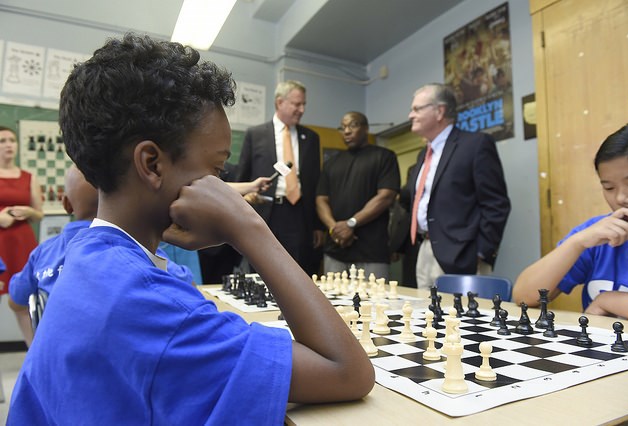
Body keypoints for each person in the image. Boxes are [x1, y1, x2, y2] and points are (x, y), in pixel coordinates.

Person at [8, 34, 373, 424]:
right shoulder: (149, 303)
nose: (222, 188)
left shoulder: (89, 257)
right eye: (216, 170)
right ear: (152, 164)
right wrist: (248, 227)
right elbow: (348, 371)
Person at [8, 165, 195, 346]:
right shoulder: (142, 251)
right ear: (122, 200)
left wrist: (35, 346)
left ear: (66, 204)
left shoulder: (43, 253)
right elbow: (190, 291)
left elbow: (16, 302)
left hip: (58, 364)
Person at [512, 120, 628, 321]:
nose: (621, 198)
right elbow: (524, 297)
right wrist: (577, 243)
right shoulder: (599, 233)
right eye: (609, 188)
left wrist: (607, 300)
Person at [406, 83, 510, 289]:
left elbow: (496, 204)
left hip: (462, 255)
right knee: (425, 318)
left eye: (417, 109)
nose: (411, 115)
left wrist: (481, 253)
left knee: (460, 320)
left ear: (439, 111)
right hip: (425, 249)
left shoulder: (475, 144)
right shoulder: (422, 155)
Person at [236, 80, 323, 275]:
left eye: (304, 104)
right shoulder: (255, 134)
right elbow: (243, 175)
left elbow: (315, 183)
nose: (302, 109)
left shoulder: (311, 138)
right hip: (266, 212)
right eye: (297, 104)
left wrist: (317, 225)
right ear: (279, 102)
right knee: (263, 270)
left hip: (300, 215)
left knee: (299, 272)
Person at [316, 111, 400, 279]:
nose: (347, 131)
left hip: (372, 252)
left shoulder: (384, 157)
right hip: (335, 250)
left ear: (366, 128)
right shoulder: (331, 163)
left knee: (375, 304)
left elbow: (386, 196)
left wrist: (351, 224)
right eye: (343, 127)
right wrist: (334, 229)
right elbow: (320, 200)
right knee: (332, 303)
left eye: (353, 125)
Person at [0, 125, 44, 343]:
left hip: (21, 242)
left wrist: (29, 211)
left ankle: (33, 351)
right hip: (1, 243)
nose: (8, 145)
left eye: (11, 140)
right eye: (2, 141)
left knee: (23, 299)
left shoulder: (29, 177)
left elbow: (39, 214)